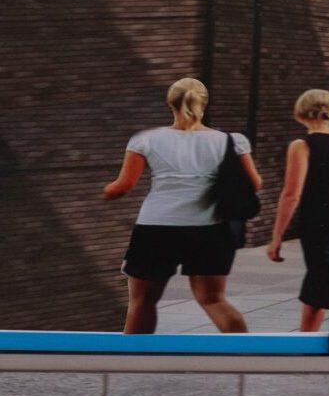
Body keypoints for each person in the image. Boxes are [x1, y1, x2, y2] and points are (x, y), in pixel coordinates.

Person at [104, 78, 262, 335]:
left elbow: (122, 186)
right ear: (204, 103)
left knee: (142, 302)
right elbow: (253, 184)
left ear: (169, 102)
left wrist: (105, 192)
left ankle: (133, 362)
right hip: (209, 229)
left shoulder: (146, 139)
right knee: (213, 300)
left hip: (156, 228)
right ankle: (243, 358)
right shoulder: (231, 141)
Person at [265, 88, 329, 333]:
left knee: (318, 286)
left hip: (318, 227)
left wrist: (277, 237)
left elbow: (291, 195)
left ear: (301, 112)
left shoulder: (302, 146)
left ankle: (306, 345)